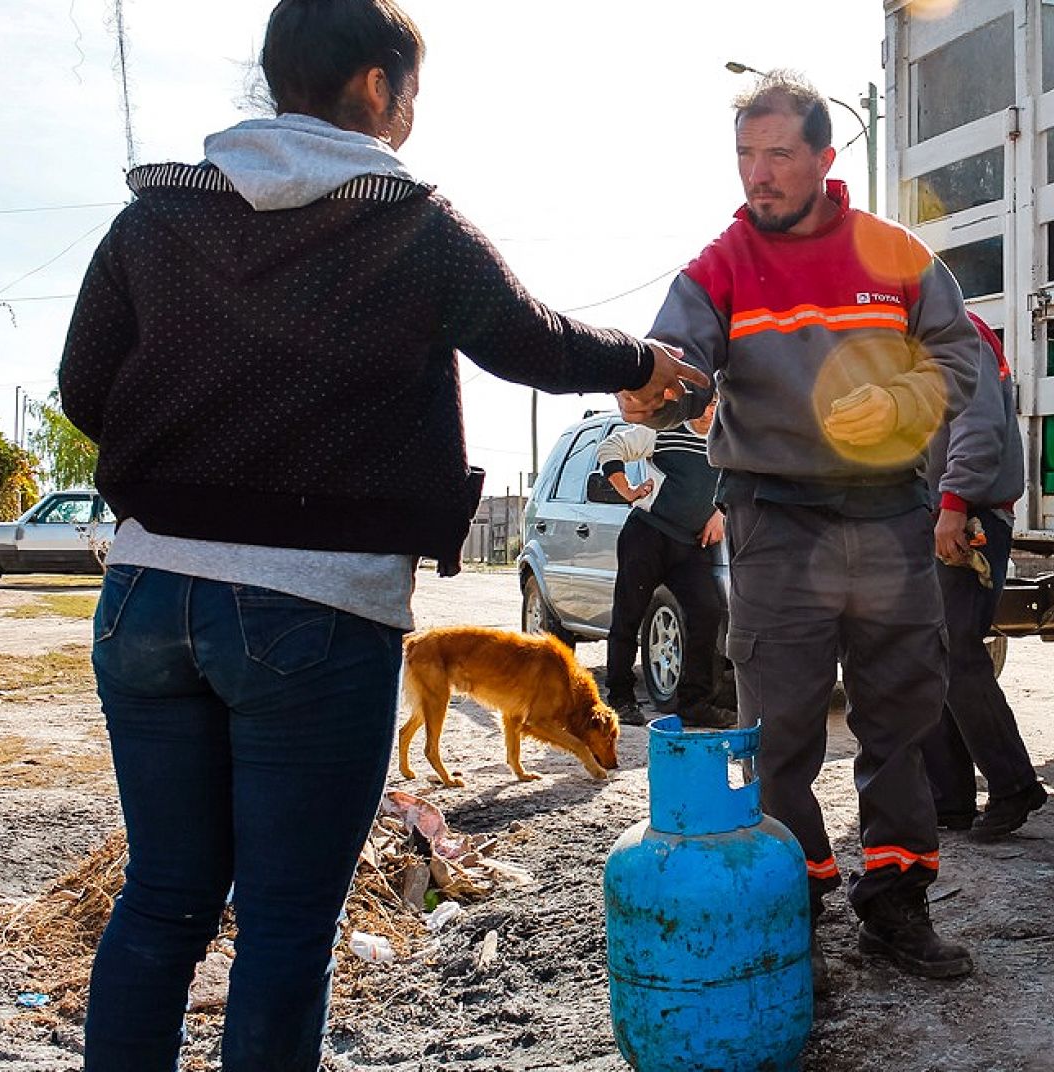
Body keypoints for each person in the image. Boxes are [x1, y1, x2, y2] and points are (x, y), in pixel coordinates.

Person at [56, 2, 703, 1068]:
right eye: (410, 91)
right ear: (373, 87)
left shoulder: (154, 220)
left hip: (145, 598)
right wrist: (640, 364)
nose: (410, 113)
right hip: (315, 614)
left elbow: (86, 388)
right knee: (282, 923)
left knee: (164, 897)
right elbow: (526, 337)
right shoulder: (404, 220)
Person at [640, 71, 984, 982]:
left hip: (888, 520)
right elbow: (678, 361)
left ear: (826, 159)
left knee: (900, 723)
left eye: (778, 154)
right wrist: (656, 384)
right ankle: (794, 906)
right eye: (746, 156)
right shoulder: (719, 265)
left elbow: (962, 356)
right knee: (780, 732)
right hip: (776, 524)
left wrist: (907, 397)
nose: (759, 174)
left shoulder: (894, 253)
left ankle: (897, 906)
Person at [922, 315, 1046, 839]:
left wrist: (953, 502)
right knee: (929, 655)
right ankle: (949, 800)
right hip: (937, 518)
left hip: (969, 516)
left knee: (957, 651)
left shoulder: (955, 333)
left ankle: (1014, 784)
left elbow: (979, 422)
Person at [597, 393, 730, 727]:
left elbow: (737, 483)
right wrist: (626, 490)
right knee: (629, 615)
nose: (709, 412)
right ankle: (621, 699)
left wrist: (720, 513)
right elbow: (610, 449)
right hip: (647, 535)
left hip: (690, 545)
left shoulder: (726, 439)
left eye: (715, 405)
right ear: (691, 404)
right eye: (703, 404)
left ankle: (695, 703)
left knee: (707, 612)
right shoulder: (663, 429)